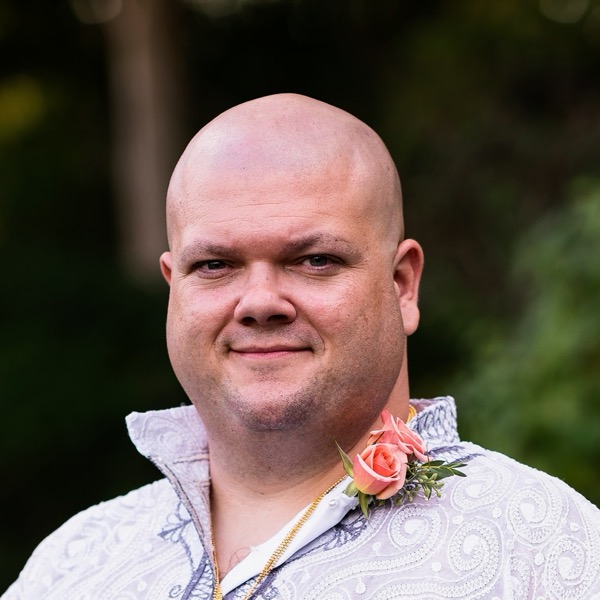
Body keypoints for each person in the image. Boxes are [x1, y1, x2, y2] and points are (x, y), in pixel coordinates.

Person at [4, 94, 600, 600]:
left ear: (402, 285)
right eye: (214, 265)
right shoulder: (72, 565)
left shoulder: (543, 548)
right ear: (173, 288)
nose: (260, 301)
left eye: (315, 260)